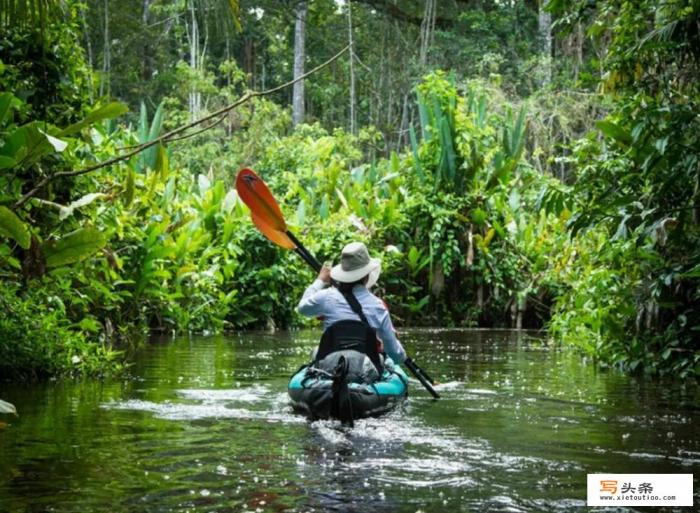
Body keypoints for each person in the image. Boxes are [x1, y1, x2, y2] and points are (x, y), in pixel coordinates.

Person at [297, 241, 407, 366]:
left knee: (316, 352)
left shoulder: (326, 297)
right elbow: (394, 354)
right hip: (365, 372)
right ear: (366, 276)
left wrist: (320, 280)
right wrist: (401, 353)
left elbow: (302, 308)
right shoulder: (378, 307)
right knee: (386, 360)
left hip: (330, 368)